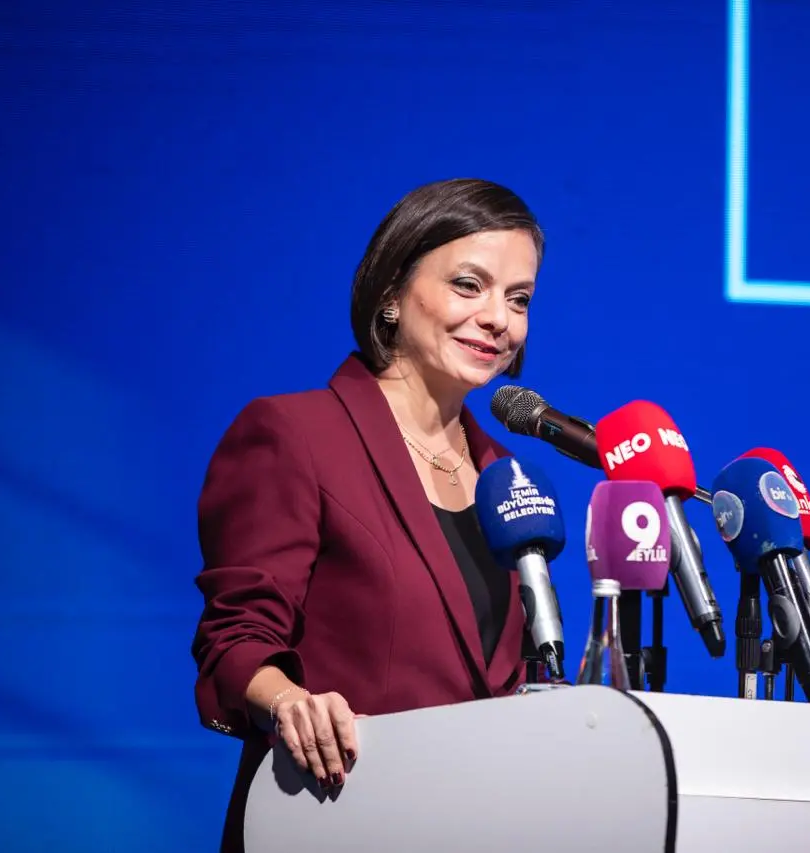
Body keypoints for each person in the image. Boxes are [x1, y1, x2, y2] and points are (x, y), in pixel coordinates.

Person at [190, 177, 543, 852]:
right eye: (469, 285)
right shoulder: (297, 433)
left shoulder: (507, 477)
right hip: (332, 817)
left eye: (518, 298)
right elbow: (235, 638)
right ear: (391, 294)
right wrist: (288, 700)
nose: (499, 318)